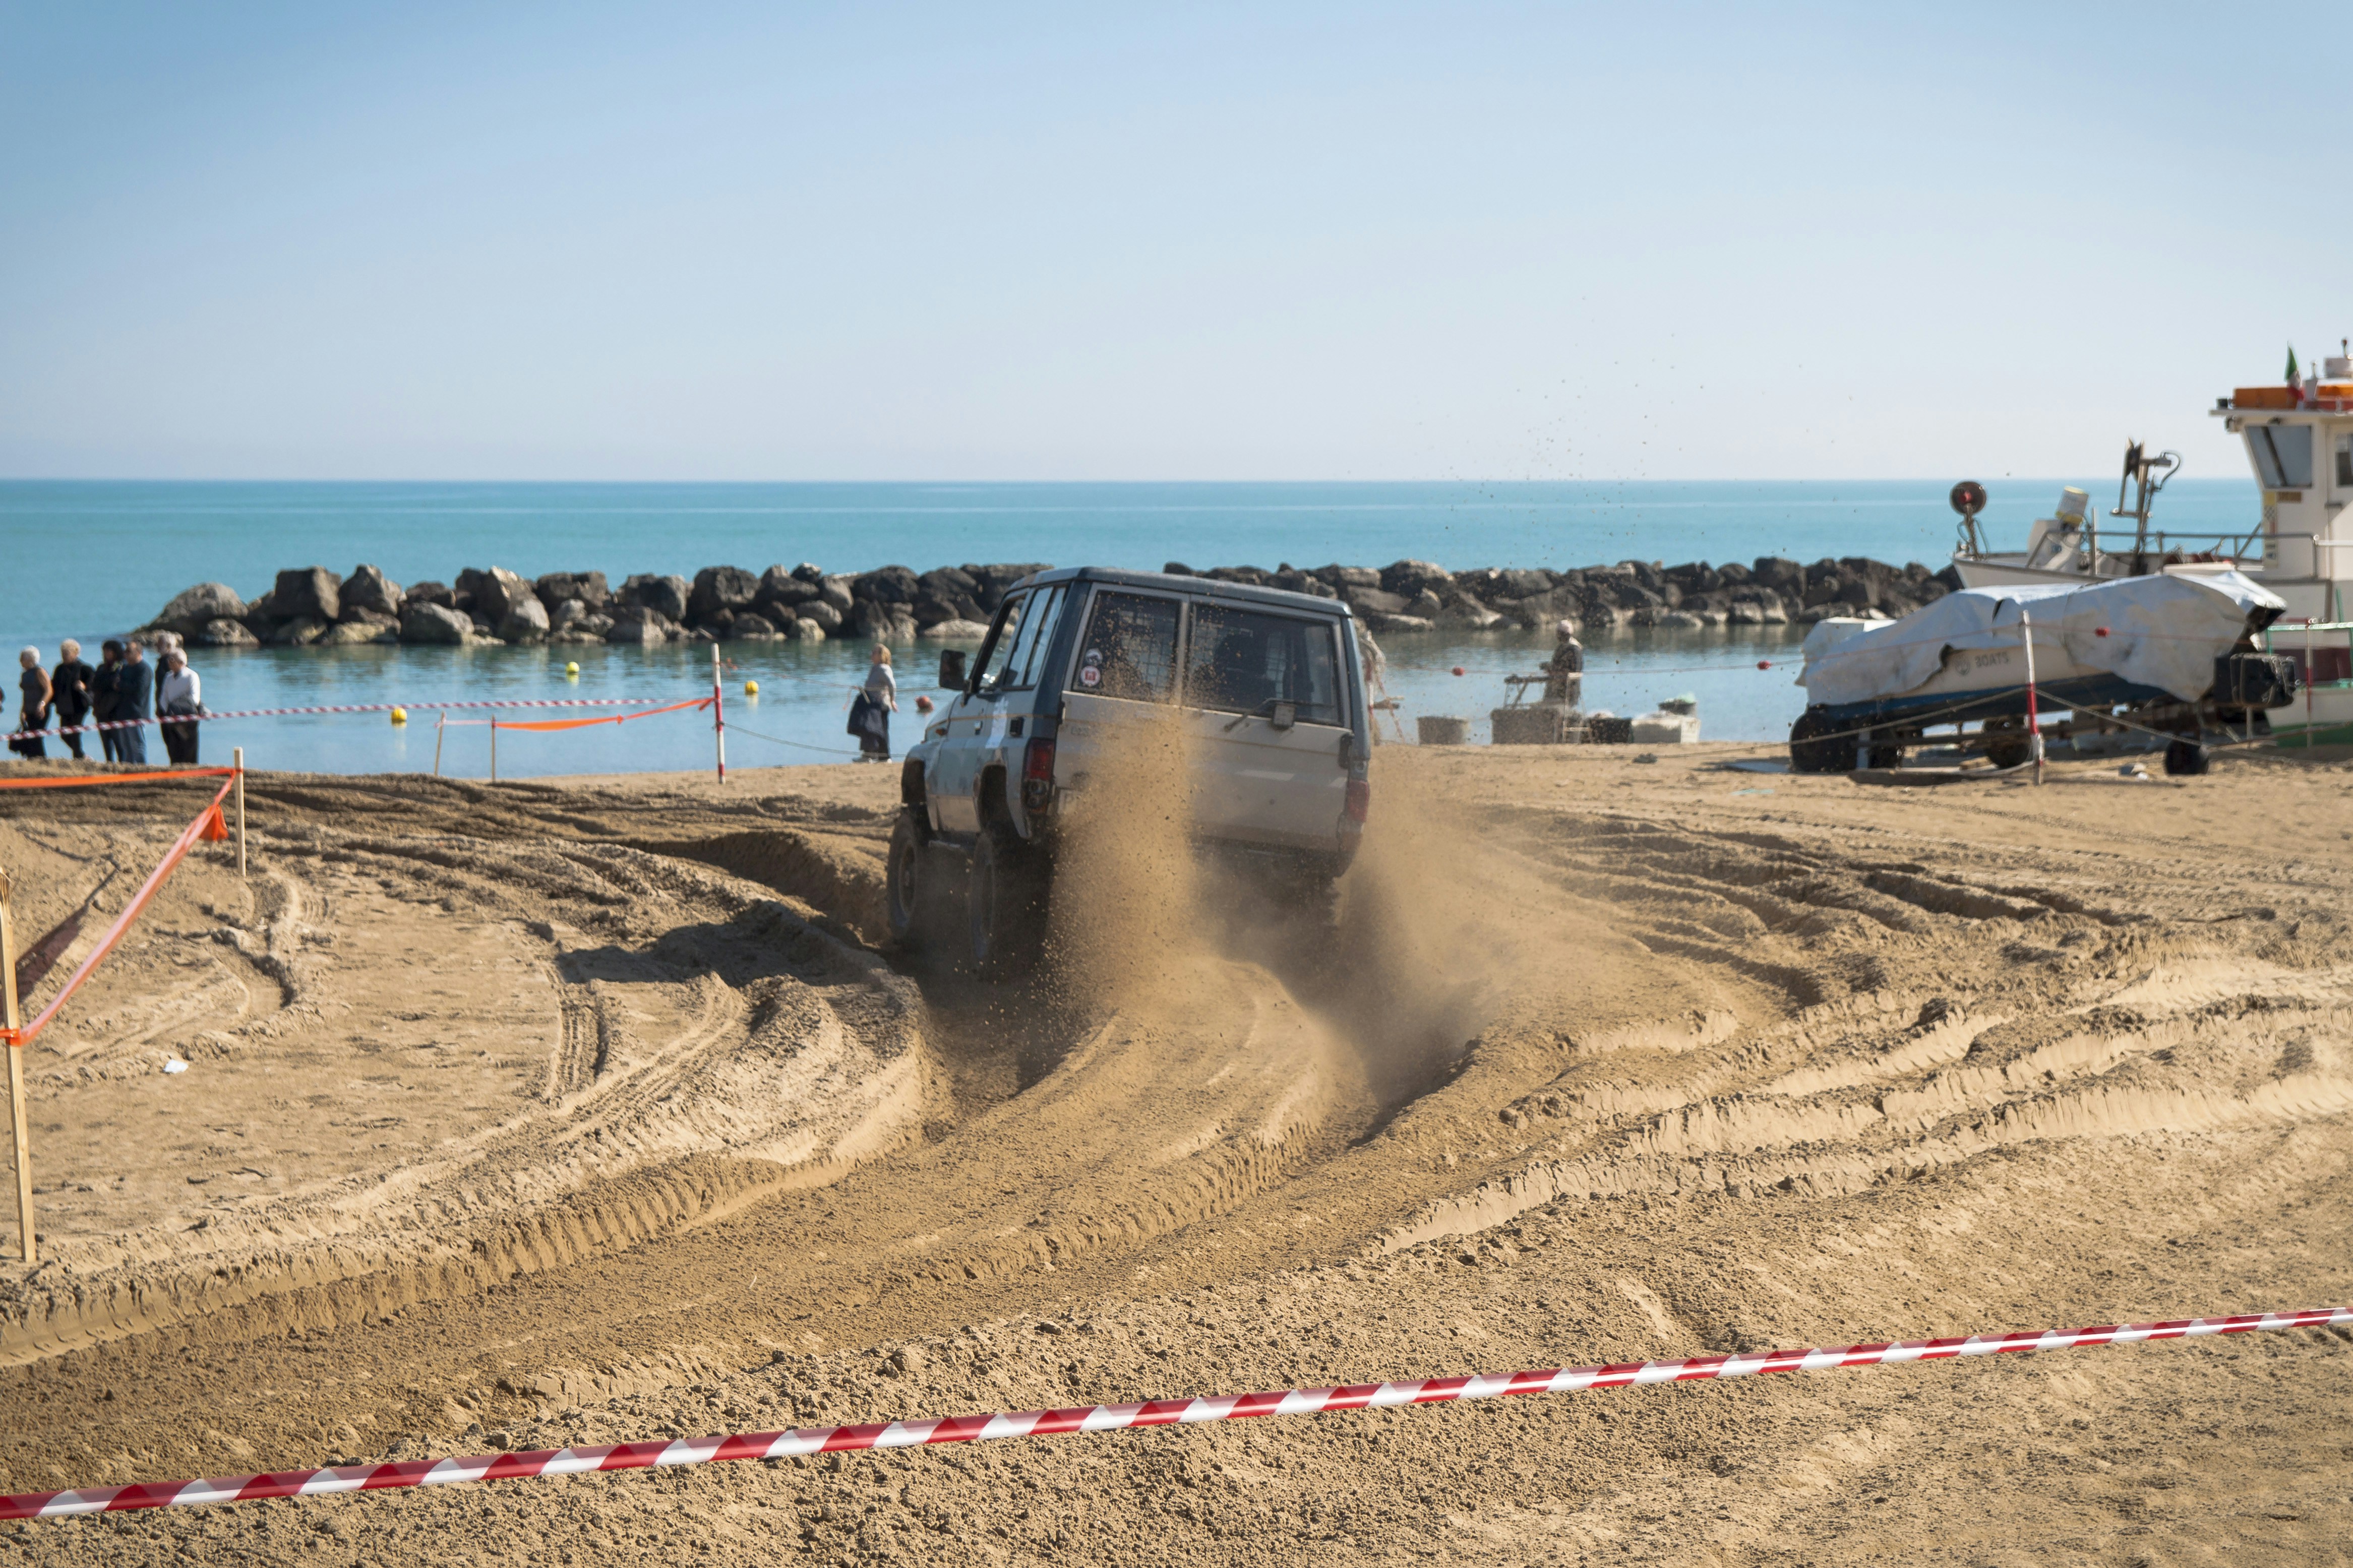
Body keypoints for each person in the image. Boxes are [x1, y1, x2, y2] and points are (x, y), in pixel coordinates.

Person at [157, 644, 204, 765]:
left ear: (181, 662)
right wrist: (169, 712)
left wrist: (178, 708)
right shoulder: (168, 677)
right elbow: (164, 698)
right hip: (172, 720)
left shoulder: (192, 676)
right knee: (174, 752)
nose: (169, 663)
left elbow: (194, 699)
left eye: (172, 660)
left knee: (189, 752)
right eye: (169, 660)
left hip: (188, 721)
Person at [849, 644, 896, 762]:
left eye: (874, 653)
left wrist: (892, 700)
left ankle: (883, 757)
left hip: (880, 705)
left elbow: (892, 685)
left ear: (881, 655)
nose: (871, 655)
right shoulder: (876, 667)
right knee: (869, 729)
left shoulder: (883, 668)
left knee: (877, 730)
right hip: (872, 703)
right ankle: (872, 755)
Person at [50, 640, 94, 760]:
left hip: (79, 705)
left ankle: (78, 757)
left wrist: (84, 686)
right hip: (64, 706)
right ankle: (81, 755)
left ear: (76, 653)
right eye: (63, 653)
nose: (64, 656)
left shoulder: (85, 668)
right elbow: (54, 686)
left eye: (67, 653)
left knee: (76, 733)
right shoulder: (59, 669)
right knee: (64, 734)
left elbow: (94, 685)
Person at [114, 639, 152, 765]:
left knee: (138, 746)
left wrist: (121, 685)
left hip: (137, 712)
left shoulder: (144, 669)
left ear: (139, 652)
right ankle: (129, 771)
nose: (126, 654)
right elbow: (117, 684)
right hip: (123, 712)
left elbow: (139, 689)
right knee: (126, 746)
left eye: (129, 651)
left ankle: (142, 770)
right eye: (125, 651)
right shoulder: (124, 668)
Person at [12, 648, 50, 759]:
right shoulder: (25, 674)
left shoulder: (40, 671)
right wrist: (23, 711)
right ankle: (32, 760)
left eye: (22, 658)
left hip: (41, 711)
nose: (20, 661)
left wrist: (42, 704)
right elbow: (26, 694)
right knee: (29, 738)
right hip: (29, 710)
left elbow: (49, 690)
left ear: (30, 659)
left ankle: (42, 761)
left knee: (37, 738)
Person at [90, 641, 124, 762]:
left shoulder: (121, 666)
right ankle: (109, 763)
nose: (106, 654)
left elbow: (114, 684)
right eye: (104, 651)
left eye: (109, 651)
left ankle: (123, 764)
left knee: (118, 741)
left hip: (115, 709)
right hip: (101, 708)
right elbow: (94, 685)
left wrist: (106, 683)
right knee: (106, 740)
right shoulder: (101, 667)